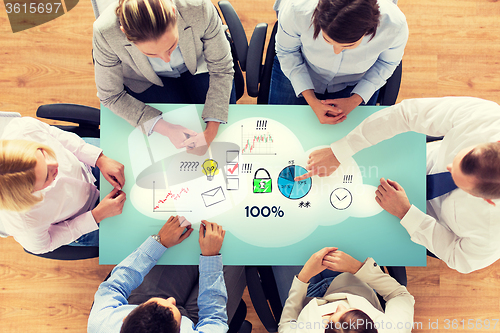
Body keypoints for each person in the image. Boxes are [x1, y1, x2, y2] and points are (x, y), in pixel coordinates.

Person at [296, 97, 500, 273]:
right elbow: (406, 114)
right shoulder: (488, 118)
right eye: (457, 160)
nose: (448, 167)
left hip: (419, 222)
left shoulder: (494, 233)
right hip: (413, 159)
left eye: (457, 180)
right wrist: (339, 151)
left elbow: (459, 257)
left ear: (488, 201)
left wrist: (406, 213)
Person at [93, 0, 236, 156]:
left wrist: (210, 132)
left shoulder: (199, 7)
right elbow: (111, 96)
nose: (165, 59)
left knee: (224, 133)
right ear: (124, 32)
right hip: (146, 80)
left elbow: (222, 69)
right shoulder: (105, 32)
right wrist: (166, 128)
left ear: (174, 14)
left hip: (199, 64)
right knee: (171, 146)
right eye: (151, 54)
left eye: (171, 46)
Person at [88, 216, 245, 333]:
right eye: (172, 304)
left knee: (185, 237)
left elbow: (115, 285)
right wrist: (211, 258)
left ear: (125, 319)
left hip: (141, 302)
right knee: (237, 247)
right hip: (200, 324)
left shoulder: (102, 323)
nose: (171, 300)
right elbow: (214, 319)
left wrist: (159, 242)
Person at [269, 0, 408, 125]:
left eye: (349, 46)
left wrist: (354, 100)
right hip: (301, 67)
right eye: (327, 40)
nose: (336, 51)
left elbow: (386, 63)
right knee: (281, 128)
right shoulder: (296, 8)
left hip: (357, 82)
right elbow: (287, 52)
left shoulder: (394, 25)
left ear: (370, 29)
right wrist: (311, 100)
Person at [0, 117, 126, 254]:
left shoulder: (23, 129)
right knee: (143, 234)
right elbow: (44, 245)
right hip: (86, 215)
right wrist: (96, 216)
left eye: (43, 153)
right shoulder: (23, 222)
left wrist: (99, 158)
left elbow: (56, 135)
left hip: (84, 159)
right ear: (31, 193)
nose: (55, 164)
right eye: (47, 176)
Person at [276, 247, 414, 333]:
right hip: (351, 279)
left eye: (330, 320)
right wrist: (356, 267)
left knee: (282, 242)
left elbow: (287, 325)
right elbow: (399, 294)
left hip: (304, 297)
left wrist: (303, 276)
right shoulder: (392, 330)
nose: (341, 305)